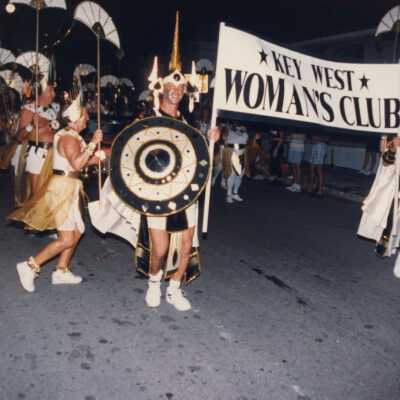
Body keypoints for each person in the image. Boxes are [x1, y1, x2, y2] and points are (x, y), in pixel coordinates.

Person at [90, 61, 220, 311]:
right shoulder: (147, 119)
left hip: (185, 193)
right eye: (172, 85)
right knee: (159, 249)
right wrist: (105, 153)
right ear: (162, 88)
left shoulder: (188, 122)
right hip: (155, 194)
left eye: (181, 88)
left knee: (186, 245)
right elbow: (126, 145)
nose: (177, 91)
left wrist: (210, 139)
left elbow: (199, 153)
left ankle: (174, 289)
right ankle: (153, 283)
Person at [9, 81, 105, 292]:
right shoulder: (69, 138)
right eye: (86, 114)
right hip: (62, 190)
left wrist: (96, 158)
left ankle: (61, 270)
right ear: (77, 116)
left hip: (69, 186)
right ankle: (29, 266)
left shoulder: (71, 136)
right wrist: (92, 144)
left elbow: (77, 165)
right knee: (66, 238)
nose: (88, 117)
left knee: (78, 231)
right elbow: (77, 163)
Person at [358, 135, 400, 277]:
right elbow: (386, 159)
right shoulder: (394, 142)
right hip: (392, 188)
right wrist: (388, 142)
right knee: (388, 217)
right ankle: (384, 243)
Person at [222, 122, 248, 203]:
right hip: (232, 153)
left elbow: (246, 141)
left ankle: (235, 193)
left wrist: (243, 130)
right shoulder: (229, 131)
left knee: (240, 176)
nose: (239, 126)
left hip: (242, 154)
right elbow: (224, 139)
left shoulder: (245, 133)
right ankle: (228, 195)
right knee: (231, 174)